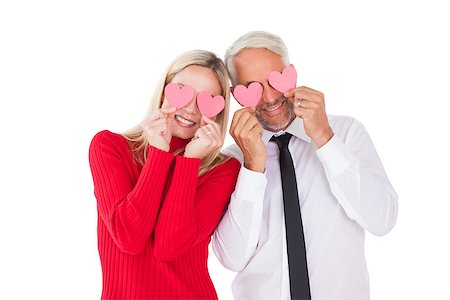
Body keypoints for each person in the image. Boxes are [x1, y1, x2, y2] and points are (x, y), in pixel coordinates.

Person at [212, 31, 398, 300]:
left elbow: (382, 220)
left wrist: (325, 138)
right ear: (236, 95)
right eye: (252, 87)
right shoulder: (231, 161)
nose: (269, 97)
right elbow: (231, 258)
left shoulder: (346, 133)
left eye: (275, 80)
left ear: (292, 73)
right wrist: (252, 166)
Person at [88, 50, 240, 299]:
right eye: (183, 91)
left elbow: (168, 247)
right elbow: (129, 237)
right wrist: (158, 154)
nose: (191, 108)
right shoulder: (110, 147)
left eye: (206, 99)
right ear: (164, 90)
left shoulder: (222, 170)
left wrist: (189, 163)